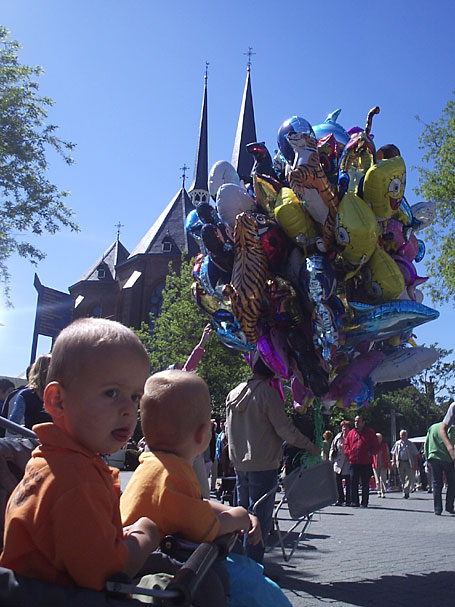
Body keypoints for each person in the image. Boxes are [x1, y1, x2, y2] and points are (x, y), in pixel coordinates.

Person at [0, 318, 159, 590]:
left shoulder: (47, 459)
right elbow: (108, 576)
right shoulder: (76, 480)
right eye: (111, 392)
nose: (129, 410)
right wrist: (145, 535)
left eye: (135, 397)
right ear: (58, 400)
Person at [120, 370, 262, 605]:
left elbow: (189, 506)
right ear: (202, 434)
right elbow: (206, 529)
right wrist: (238, 516)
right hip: (156, 567)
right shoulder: (174, 475)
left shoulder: (151, 464)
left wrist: (233, 511)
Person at [225, 357, 319, 563]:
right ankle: (254, 569)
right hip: (263, 464)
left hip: (240, 464)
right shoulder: (268, 395)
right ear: (272, 373)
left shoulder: (232, 394)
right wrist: (309, 445)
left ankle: (240, 564)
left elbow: (227, 430)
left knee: (241, 518)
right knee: (260, 523)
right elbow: (285, 430)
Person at [5, 355, 52, 437]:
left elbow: (12, 428)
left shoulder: (25, 395)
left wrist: (24, 428)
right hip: (56, 442)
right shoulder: (60, 395)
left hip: (32, 440)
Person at [343, 415, 379, 508]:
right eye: (355, 421)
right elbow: (346, 445)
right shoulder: (351, 433)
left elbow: (376, 446)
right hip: (354, 462)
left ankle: (364, 502)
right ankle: (354, 501)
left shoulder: (370, 433)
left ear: (363, 422)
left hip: (365, 462)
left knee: (365, 483)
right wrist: (349, 453)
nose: (356, 423)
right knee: (353, 482)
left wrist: (370, 453)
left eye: (358, 421)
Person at [425, 413, 455, 516]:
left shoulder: (432, 427)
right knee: (451, 483)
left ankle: (437, 508)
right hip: (447, 459)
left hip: (433, 457)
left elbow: (427, 443)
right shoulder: (451, 428)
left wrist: (427, 458)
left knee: (436, 483)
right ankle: (449, 506)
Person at [391, 429, 419, 499]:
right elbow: (394, 453)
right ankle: (405, 491)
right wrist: (393, 461)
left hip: (408, 463)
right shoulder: (397, 443)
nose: (403, 436)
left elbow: (415, 454)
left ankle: (406, 491)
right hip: (400, 462)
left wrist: (416, 463)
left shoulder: (410, 444)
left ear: (406, 435)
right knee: (402, 478)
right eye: (402, 435)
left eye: (404, 435)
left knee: (408, 478)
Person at [329, 421, 351, 506]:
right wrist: (331, 459)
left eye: (346, 427)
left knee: (348, 482)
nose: (344, 429)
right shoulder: (338, 437)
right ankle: (340, 499)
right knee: (337, 482)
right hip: (338, 462)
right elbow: (332, 448)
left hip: (347, 462)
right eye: (343, 427)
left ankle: (349, 499)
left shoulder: (351, 436)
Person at [373, 433, 390, 498]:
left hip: (384, 464)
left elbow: (388, 454)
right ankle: (379, 491)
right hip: (375, 464)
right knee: (377, 480)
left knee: (383, 478)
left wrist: (389, 462)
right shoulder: (373, 446)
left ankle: (383, 492)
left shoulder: (384, 445)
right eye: (377, 438)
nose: (378, 439)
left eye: (379, 438)